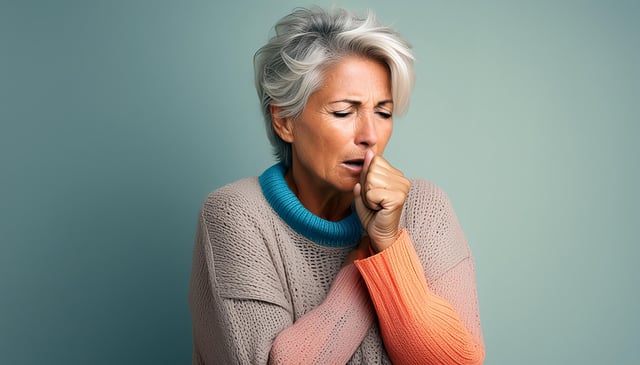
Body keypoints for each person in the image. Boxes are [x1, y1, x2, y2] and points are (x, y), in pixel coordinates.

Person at [189, 7, 485, 365]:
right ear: (284, 121)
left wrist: (390, 244)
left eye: (383, 112)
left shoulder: (423, 207)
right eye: (345, 112)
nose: (370, 136)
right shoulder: (236, 214)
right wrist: (370, 254)